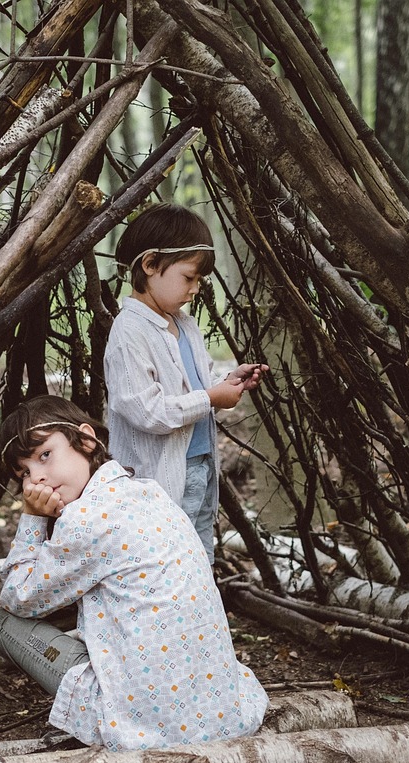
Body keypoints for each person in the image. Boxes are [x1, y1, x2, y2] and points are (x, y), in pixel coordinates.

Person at [0, 395, 267, 751]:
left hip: (157, 726)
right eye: (25, 472)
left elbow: (18, 598)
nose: (38, 478)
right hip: (219, 709)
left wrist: (31, 519)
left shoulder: (87, 518)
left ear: (86, 439)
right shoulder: (145, 491)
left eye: (45, 455)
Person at [105, 203, 269, 561]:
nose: (195, 289)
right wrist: (211, 397)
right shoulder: (129, 333)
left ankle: (200, 616)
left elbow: (194, 382)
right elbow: (147, 412)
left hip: (199, 465)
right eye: (188, 278)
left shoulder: (182, 323)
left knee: (197, 558)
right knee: (165, 564)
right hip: (156, 482)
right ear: (149, 266)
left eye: (199, 281)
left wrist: (226, 381)